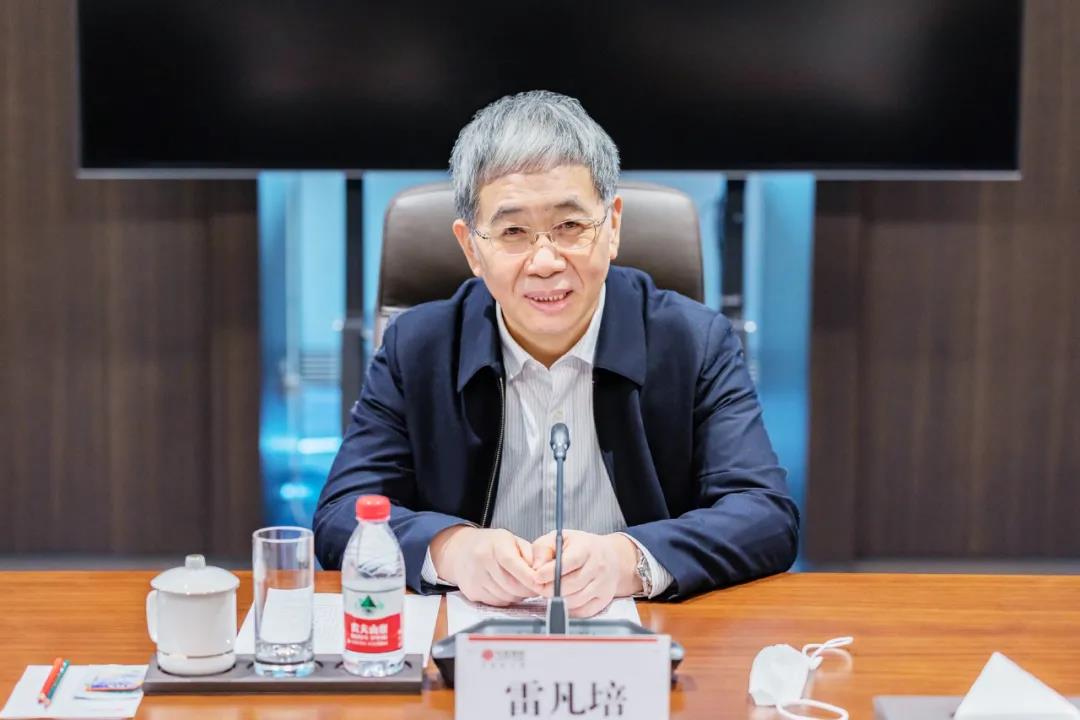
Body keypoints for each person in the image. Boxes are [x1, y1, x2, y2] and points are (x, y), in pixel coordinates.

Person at [314, 90, 798, 617]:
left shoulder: (694, 341)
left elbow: (764, 514)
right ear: (472, 247)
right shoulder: (417, 347)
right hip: (468, 640)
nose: (545, 262)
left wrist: (630, 560)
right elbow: (341, 515)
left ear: (613, 226)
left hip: (643, 633)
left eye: (570, 227)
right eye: (513, 232)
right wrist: (451, 549)